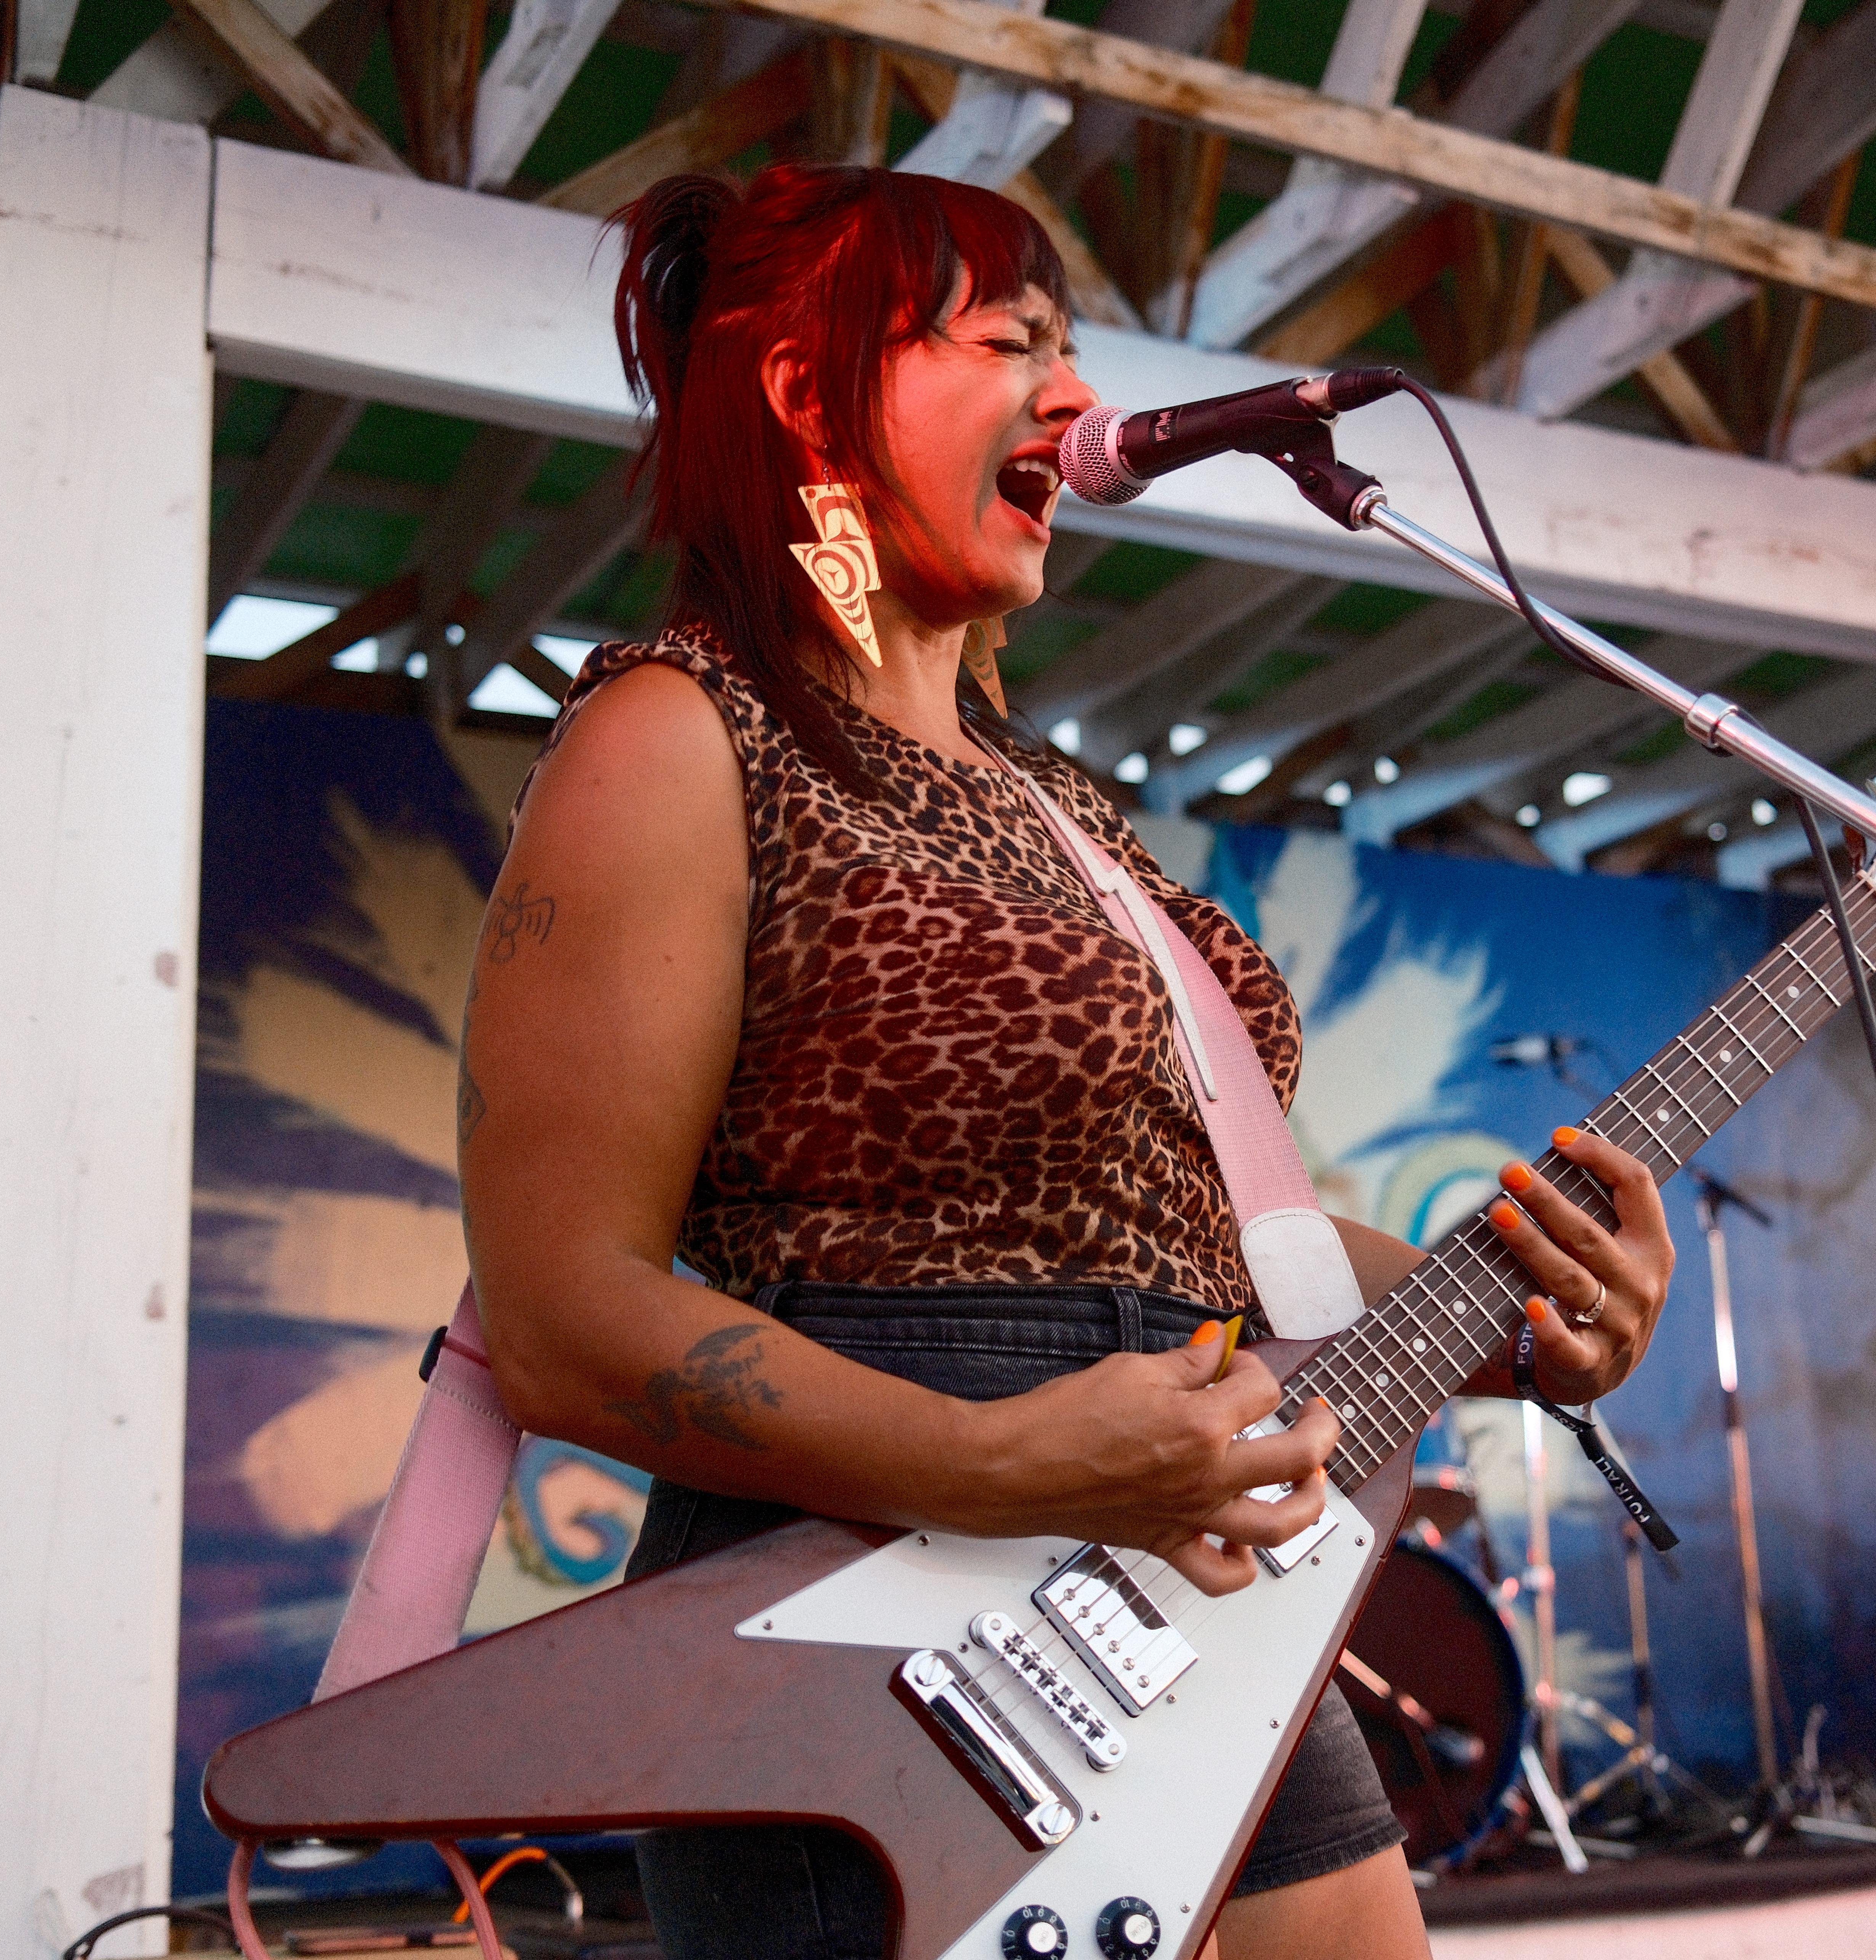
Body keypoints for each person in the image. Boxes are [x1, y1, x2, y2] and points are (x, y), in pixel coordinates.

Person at [455, 163, 1673, 1960]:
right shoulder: (679, 733)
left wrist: (1519, 1312)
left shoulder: (1065, 807)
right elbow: (562, 1311)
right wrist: (991, 1460)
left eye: (1074, 354)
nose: (1079, 405)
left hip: (1182, 1604)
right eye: (1011, 342)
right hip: (857, 1643)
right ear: (806, 390)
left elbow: (1196, 1242)